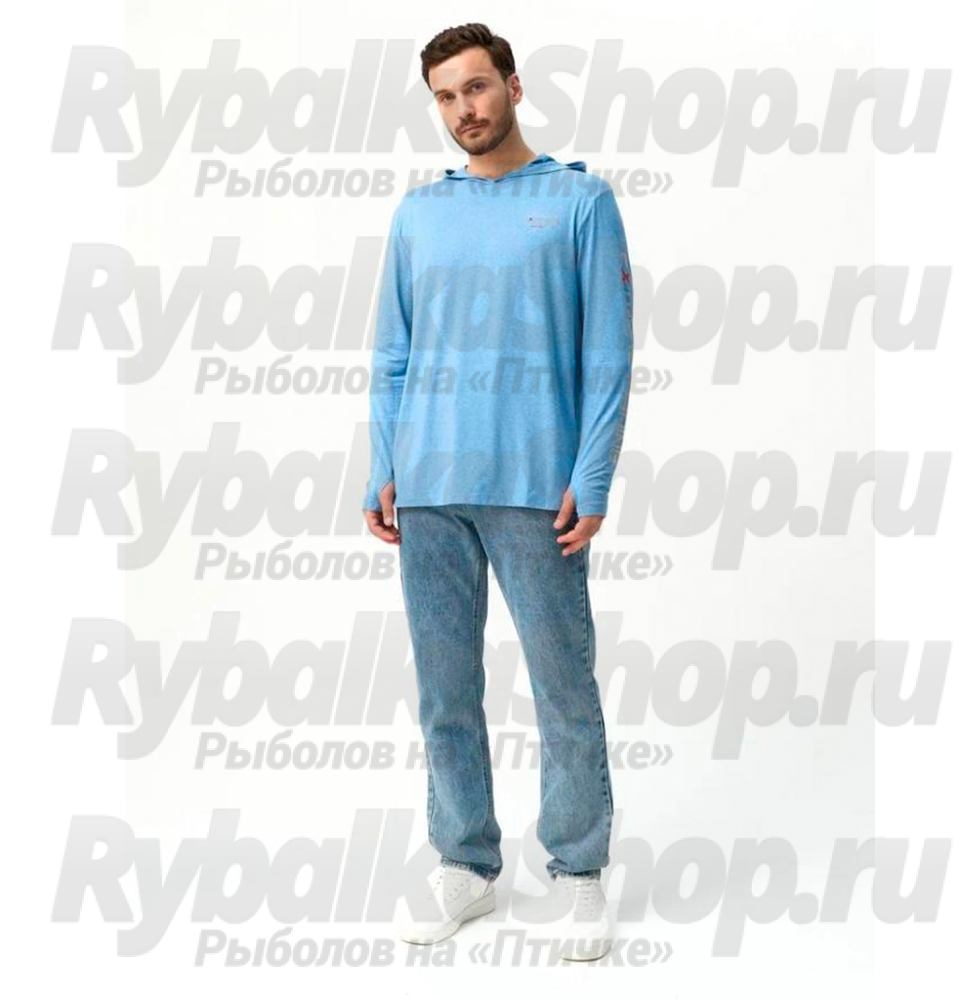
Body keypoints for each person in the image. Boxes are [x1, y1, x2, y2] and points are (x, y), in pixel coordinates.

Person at [362, 23, 634, 962]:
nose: (462, 110)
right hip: (429, 486)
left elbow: (608, 354)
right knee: (445, 691)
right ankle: (466, 864)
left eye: (475, 88)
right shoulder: (419, 214)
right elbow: (393, 353)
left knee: (563, 685)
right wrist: (383, 462)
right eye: (444, 96)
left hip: (536, 487)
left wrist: (591, 474)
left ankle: (579, 869)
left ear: (513, 87)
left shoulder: (579, 202)